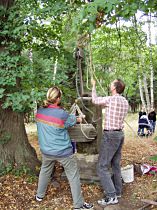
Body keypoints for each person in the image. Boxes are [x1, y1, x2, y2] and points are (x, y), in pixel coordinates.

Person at [35, 86, 93, 210]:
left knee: (45, 171)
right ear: (58, 98)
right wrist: (80, 118)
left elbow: (62, 123)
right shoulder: (62, 114)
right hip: (63, 152)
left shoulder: (39, 111)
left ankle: (39, 196)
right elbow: (71, 121)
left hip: (46, 151)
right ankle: (79, 205)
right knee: (73, 175)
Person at [91, 78, 129, 206]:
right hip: (120, 134)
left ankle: (112, 196)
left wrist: (94, 86)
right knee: (115, 164)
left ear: (114, 88)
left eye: (111, 83)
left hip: (111, 135)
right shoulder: (124, 101)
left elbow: (95, 100)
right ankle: (117, 191)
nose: (109, 84)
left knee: (102, 166)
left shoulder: (111, 99)